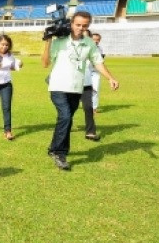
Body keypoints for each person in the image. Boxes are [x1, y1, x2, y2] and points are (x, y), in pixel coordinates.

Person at [41, 11, 119, 170]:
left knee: (64, 119)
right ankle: (60, 153)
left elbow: (98, 62)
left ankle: (53, 148)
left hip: (77, 88)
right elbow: (45, 63)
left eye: (84, 26)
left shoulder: (89, 43)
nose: (80, 28)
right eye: (78, 25)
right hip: (58, 86)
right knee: (66, 116)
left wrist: (110, 78)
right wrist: (48, 41)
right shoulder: (60, 40)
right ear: (71, 23)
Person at [90, 33, 105, 112]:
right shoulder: (86, 47)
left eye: (98, 40)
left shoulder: (100, 49)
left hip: (96, 72)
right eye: (94, 39)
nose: (96, 41)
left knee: (95, 89)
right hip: (85, 72)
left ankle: (94, 109)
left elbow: (101, 61)